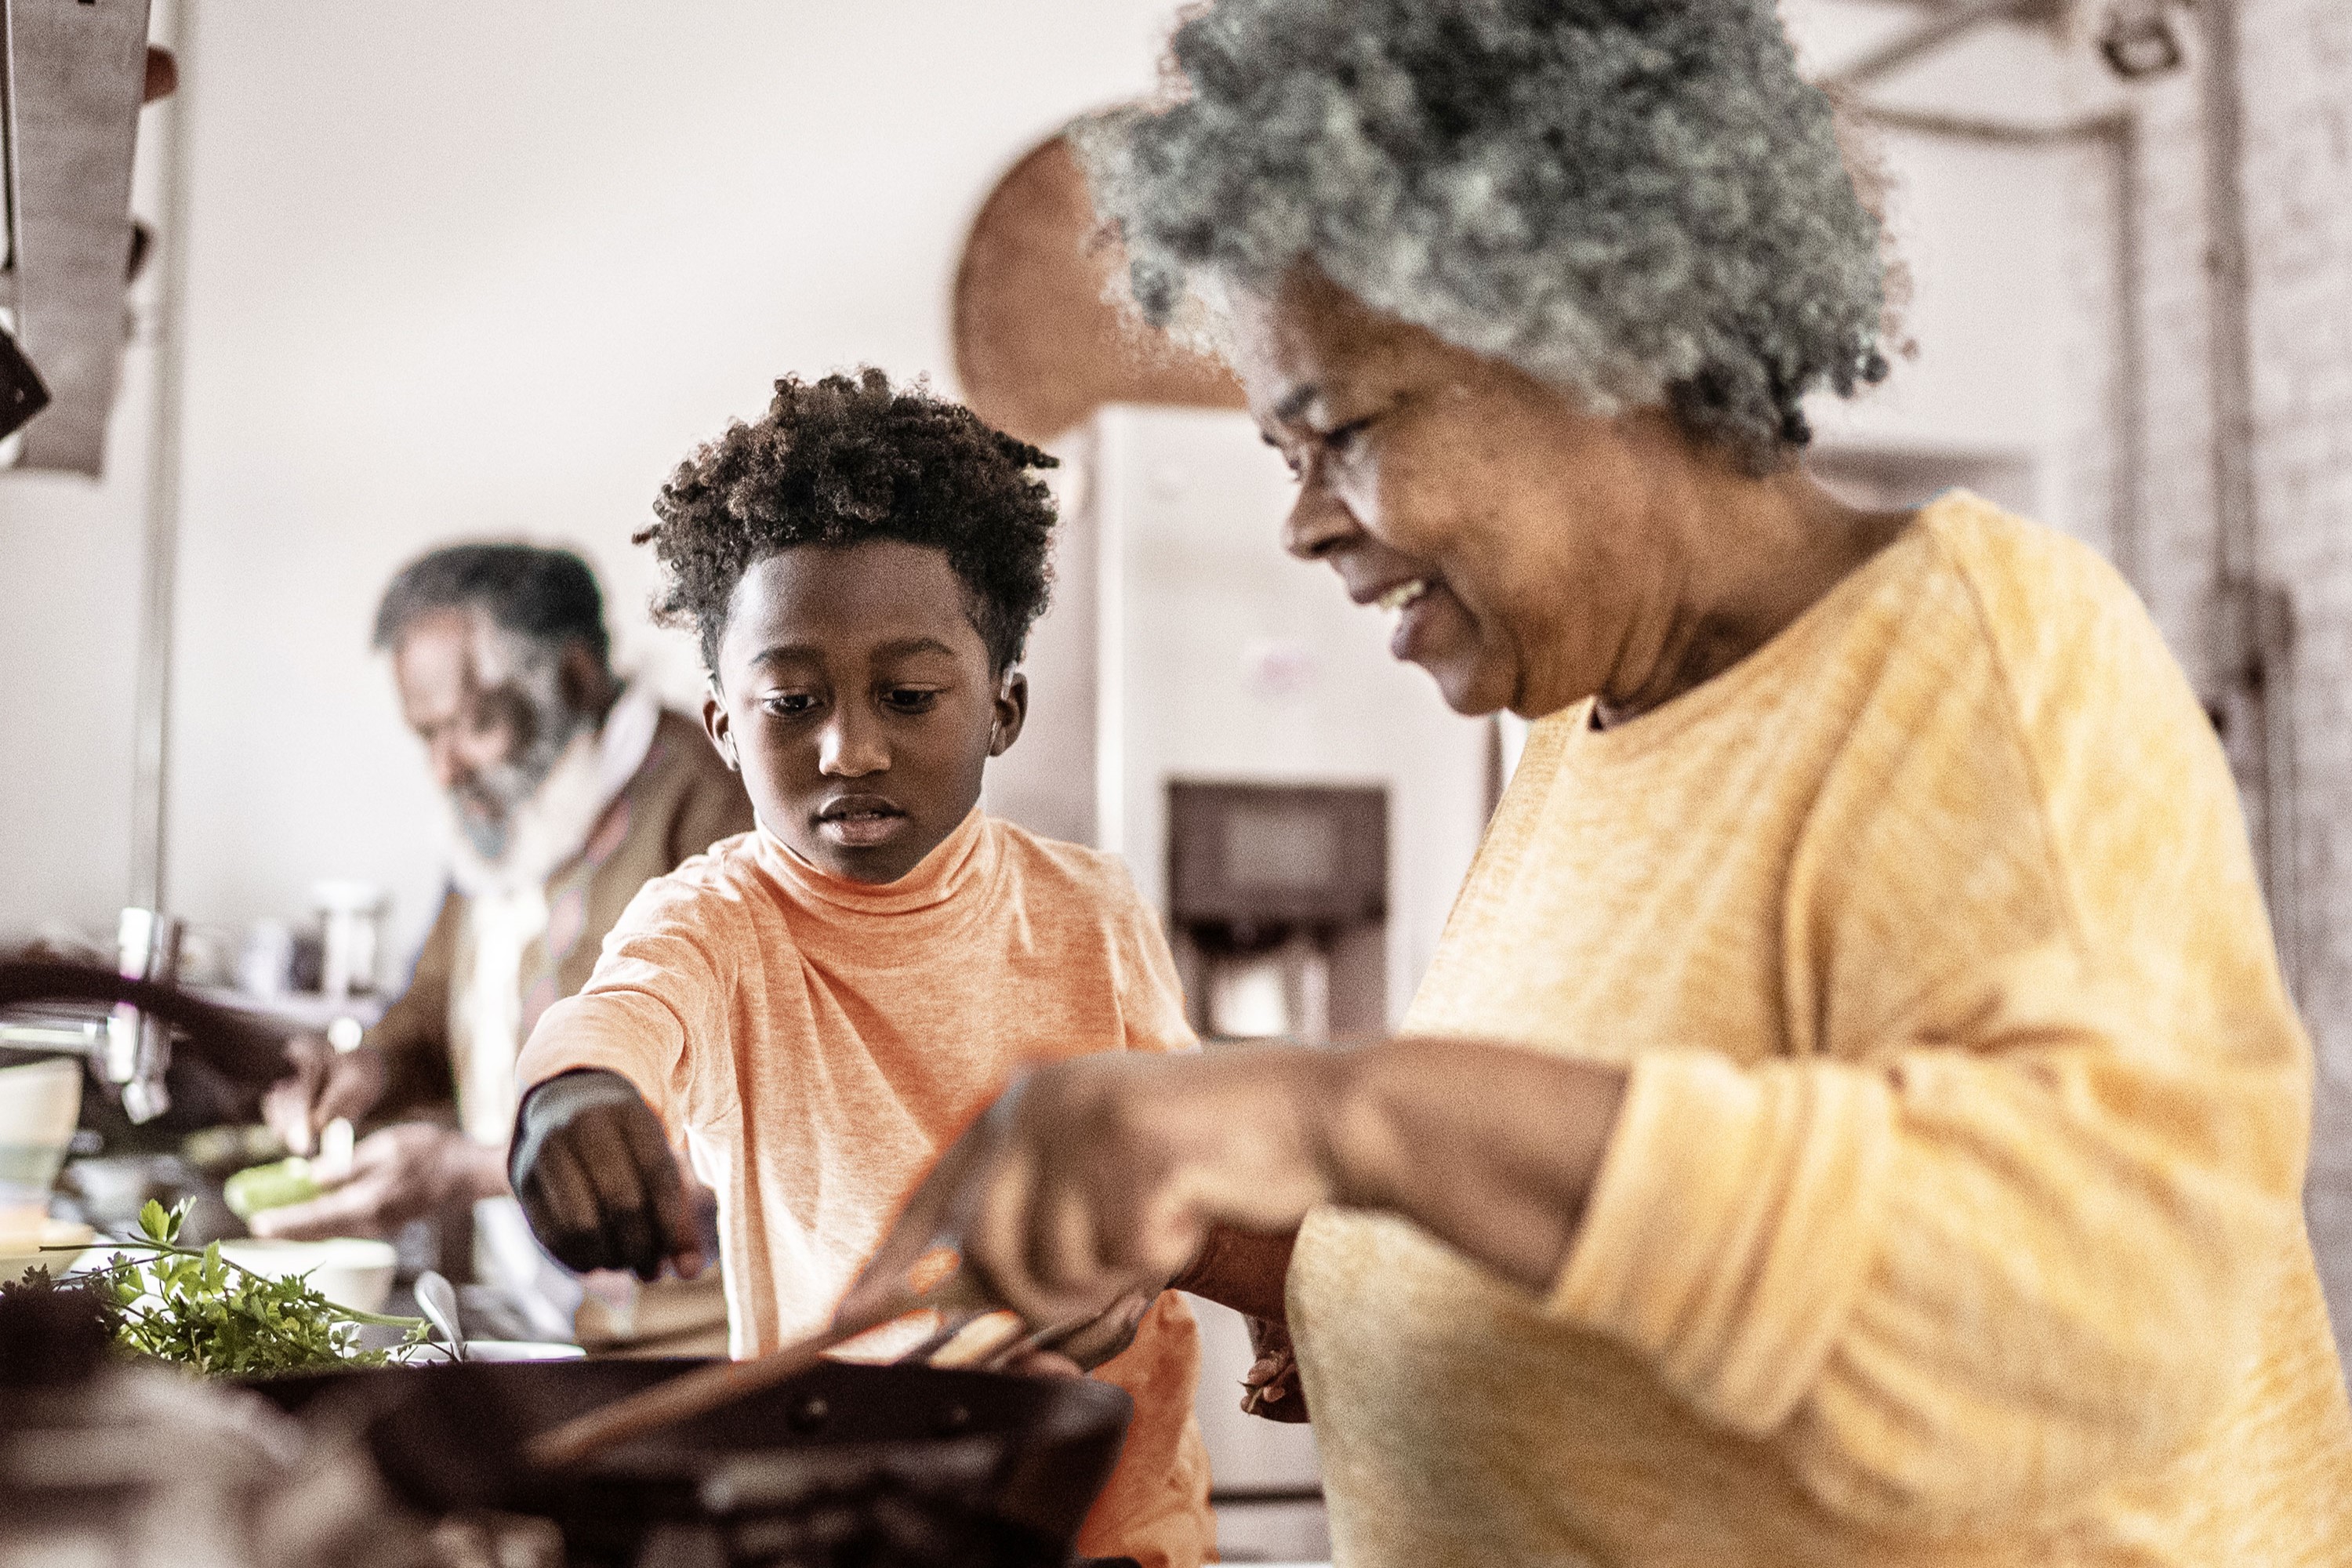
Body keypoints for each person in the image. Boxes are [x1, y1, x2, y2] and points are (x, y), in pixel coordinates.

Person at [830, 3, 2352, 1565]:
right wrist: (1190, 1205)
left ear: (1607, 336)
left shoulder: (1984, 653)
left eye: (1335, 431)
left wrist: (1330, 1108)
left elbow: (2096, 1316)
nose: (1304, 524)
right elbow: (1603, 1232)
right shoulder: (1581, 738)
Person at [503, 371, 1214, 1568]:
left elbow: (1193, 1169)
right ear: (726, 727)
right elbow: (615, 1018)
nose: (850, 746)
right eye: (791, 701)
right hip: (871, 1530)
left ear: (1003, 707)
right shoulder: (720, 922)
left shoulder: (1093, 910)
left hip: (1127, 1533)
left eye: (910, 695)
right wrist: (567, 1095)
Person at [259, 543, 752, 1348]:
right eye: (426, 735)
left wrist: (470, 1169)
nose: (444, 769)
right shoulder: (503, 816)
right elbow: (431, 1004)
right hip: (531, 1317)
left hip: (683, 1342)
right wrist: (365, 1069)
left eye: (474, 723)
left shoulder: (711, 815)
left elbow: (745, 1120)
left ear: (577, 676)